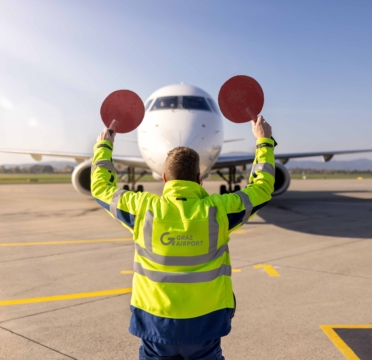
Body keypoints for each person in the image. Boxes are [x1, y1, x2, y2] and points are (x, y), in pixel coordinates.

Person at [91, 116, 275, 359]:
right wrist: (264, 142)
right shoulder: (218, 210)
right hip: (205, 324)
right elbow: (261, 189)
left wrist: (104, 146)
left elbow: (100, 188)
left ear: (166, 178)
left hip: (155, 324)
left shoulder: (142, 209)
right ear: (199, 178)